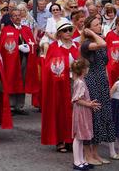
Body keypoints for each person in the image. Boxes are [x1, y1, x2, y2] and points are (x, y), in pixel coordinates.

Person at [80, 15, 116, 164]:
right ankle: (88, 154)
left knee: (102, 116)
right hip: (92, 81)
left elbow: (104, 65)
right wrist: (91, 33)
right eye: (96, 24)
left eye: (100, 24)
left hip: (102, 80)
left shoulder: (97, 41)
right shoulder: (87, 44)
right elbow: (103, 43)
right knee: (93, 117)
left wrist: (108, 84)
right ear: (89, 28)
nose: (100, 26)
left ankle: (95, 153)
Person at [41, 20, 80, 152]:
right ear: (59, 33)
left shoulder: (77, 46)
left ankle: (72, 139)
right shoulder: (53, 47)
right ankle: (60, 140)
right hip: (59, 84)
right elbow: (47, 66)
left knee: (75, 112)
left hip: (76, 83)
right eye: (65, 30)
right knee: (60, 111)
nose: (68, 32)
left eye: (70, 29)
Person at [0, 8, 38, 115]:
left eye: (19, 15)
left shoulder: (26, 29)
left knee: (23, 81)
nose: (17, 17)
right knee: (12, 80)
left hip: (25, 59)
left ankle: (19, 106)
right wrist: (17, 47)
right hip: (12, 61)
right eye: (15, 16)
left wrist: (30, 47)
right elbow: (3, 45)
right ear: (11, 18)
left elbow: (33, 42)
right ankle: (11, 105)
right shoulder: (7, 30)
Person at [71, 58, 99, 171]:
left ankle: (81, 160)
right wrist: (89, 104)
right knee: (78, 138)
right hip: (81, 112)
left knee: (81, 138)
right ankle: (77, 162)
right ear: (83, 70)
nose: (88, 69)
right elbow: (77, 99)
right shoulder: (80, 83)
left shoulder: (80, 81)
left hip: (83, 111)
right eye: (87, 68)